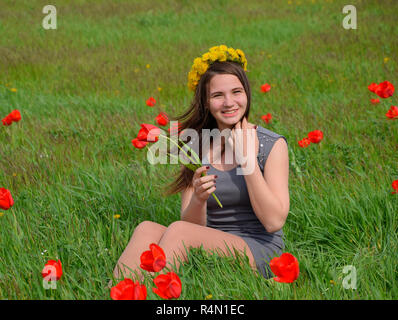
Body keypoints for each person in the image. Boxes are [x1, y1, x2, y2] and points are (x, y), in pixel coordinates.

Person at [112, 45, 289, 281]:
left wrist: (248, 160)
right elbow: (191, 225)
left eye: (236, 92)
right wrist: (198, 198)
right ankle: (118, 293)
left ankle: (151, 293)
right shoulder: (196, 145)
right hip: (208, 243)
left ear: (247, 93)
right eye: (218, 95)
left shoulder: (271, 145)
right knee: (146, 228)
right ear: (206, 102)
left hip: (258, 250)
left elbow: (273, 221)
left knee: (180, 232)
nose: (229, 102)